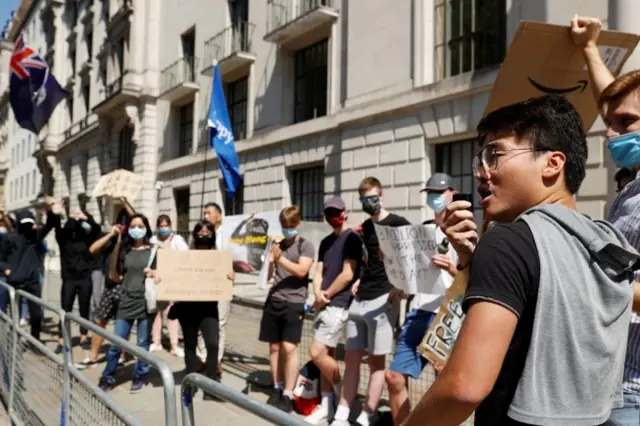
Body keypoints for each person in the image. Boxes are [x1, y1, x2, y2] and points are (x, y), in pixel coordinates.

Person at [403, 94, 639, 426]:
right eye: (480, 161)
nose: (482, 172)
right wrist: (472, 259)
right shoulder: (606, 244)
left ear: (553, 164)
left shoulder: (509, 241)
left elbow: (463, 388)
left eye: (494, 155)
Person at [572, 15, 640, 426]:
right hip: (612, 384)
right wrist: (589, 48)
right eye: (610, 123)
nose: (611, 134)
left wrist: (594, 279)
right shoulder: (631, 183)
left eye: (625, 124)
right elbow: (612, 103)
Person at [332, 177, 410, 426]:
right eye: (364, 199)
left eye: (373, 197)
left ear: (381, 195)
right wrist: (358, 279)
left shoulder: (398, 223)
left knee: (377, 362)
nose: (369, 202)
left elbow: (412, 259)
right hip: (361, 298)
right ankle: (342, 413)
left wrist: (402, 287)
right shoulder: (364, 228)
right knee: (352, 359)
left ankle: (367, 414)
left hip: (384, 299)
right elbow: (368, 260)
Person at [384, 173, 458, 425]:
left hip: (445, 314)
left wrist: (451, 268)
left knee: (442, 383)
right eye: (430, 193)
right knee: (394, 377)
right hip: (417, 312)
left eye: (440, 192)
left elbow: (472, 279)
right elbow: (415, 273)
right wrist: (401, 286)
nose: (435, 198)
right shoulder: (422, 230)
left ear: (452, 193)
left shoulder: (464, 230)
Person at [305, 197, 363, 424]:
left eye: (336, 212)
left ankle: (344, 392)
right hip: (324, 303)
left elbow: (348, 273)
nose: (333, 216)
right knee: (324, 356)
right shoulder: (326, 241)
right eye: (329, 212)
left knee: (316, 352)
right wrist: (317, 293)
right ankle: (327, 404)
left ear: (345, 212)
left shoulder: (352, 238)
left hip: (339, 304)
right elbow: (319, 269)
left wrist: (326, 296)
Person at [259, 206, 315, 413]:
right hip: (274, 300)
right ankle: (277, 386)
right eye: (284, 226)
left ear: (297, 224)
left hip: (294, 303)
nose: (287, 230)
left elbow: (302, 271)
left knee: (289, 348)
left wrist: (280, 258)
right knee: (274, 348)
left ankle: (288, 393)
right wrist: (269, 261)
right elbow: (268, 275)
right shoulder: (277, 245)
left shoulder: (305, 246)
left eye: (291, 226)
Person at [168, 220, 233, 400]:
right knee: (190, 345)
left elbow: (226, 280)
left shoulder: (219, 258)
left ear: (212, 235)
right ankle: (190, 384)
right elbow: (174, 276)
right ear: (195, 235)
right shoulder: (186, 257)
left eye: (208, 232)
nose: (204, 235)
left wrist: (230, 277)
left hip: (209, 308)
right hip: (188, 308)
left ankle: (211, 385)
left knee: (212, 344)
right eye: (201, 232)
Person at [99, 214, 157, 393]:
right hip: (126, 300)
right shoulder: (123, 249)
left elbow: (164, 274)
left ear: (146, 228)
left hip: (145, 301)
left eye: (140, 225)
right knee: (116, 343)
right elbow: (114, 274)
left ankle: (140, 375)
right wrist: (116, 241)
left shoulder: (154, 250)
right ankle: (108, 376)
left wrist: (155, 273)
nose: (136, 229)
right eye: (133, 225)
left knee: (142, 343)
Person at [81, 201, 135, 368]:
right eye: (120, 224)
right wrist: (111, 234)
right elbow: (92, 249)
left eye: (125, 224)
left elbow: (136, 218)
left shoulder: (132, 242)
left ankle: (122, 356)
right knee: (100, 321)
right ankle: (94, 354)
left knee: (122, 323)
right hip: (110, 286)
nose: (123, 227)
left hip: (126, 287)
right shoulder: (111, 239)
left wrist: (126, 201)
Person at [0, 200, 58, 341]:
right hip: (15, 281)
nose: (27, 226)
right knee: (15, 313)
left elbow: (50, 224)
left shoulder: (35, 237)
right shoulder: (9, 238)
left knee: (36, 314)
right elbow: (0, 258)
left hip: (32, 281)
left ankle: (35, 339)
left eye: (29, 222)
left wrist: (49, 209)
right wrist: (7, 269)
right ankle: (14, 340)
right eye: (24, 223)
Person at [52, 206, 99, 355]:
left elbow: (96, 229)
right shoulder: (63, 240)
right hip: (69, 280)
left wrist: (86, 217)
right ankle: (62, 339)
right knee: (65, 309)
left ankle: (84, 337)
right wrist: (58, 214)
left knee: (84, 308)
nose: (73, 232)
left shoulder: (86, 238)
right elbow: (57, 228)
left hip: (85, 278)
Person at [149, 214, 187, 358]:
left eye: (166, 225)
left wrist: (168, 249)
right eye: (161, 226)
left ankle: (174, 345)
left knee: (171, 312)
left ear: (170, 226)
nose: (164, 228)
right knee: (157, 311)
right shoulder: (154, 240)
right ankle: (156, 341)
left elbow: (185, 255)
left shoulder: (177, 239)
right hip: (155, 279)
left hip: (171, 279)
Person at [202, 202, 232, 376]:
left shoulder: (228, 235)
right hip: (204, 284)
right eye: (204, 213)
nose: (205, 216)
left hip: (223, 283)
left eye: (209, 213)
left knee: (220, 322)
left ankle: (216, 360)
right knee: (202, 321)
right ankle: (203, 357)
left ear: (219, 216)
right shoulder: (201, 232)